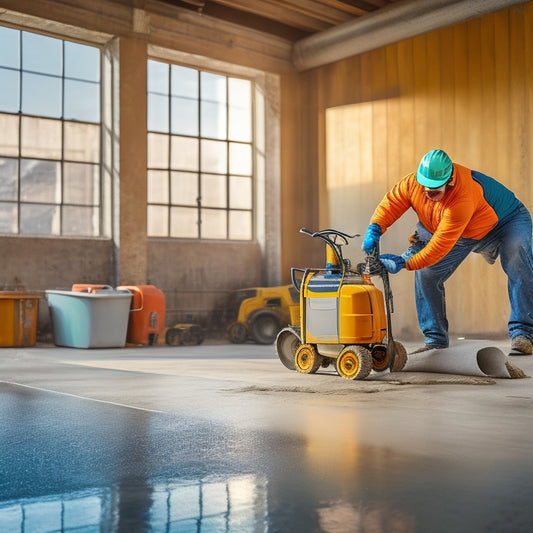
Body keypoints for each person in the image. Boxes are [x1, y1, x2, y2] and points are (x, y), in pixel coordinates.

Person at [362, 149, 533, 354]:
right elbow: (392, 203)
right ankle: (435, 340)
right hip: (462, 227)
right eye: (423, 187)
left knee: (517, 258)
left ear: (449, 182)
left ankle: (523, 333)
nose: (427, 193)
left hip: (506, 221)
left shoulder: (462, 197)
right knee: (427, 272)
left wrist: (405, 262)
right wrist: (375, 228)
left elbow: (440, 246)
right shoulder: (413, 184)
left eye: (434, 191)